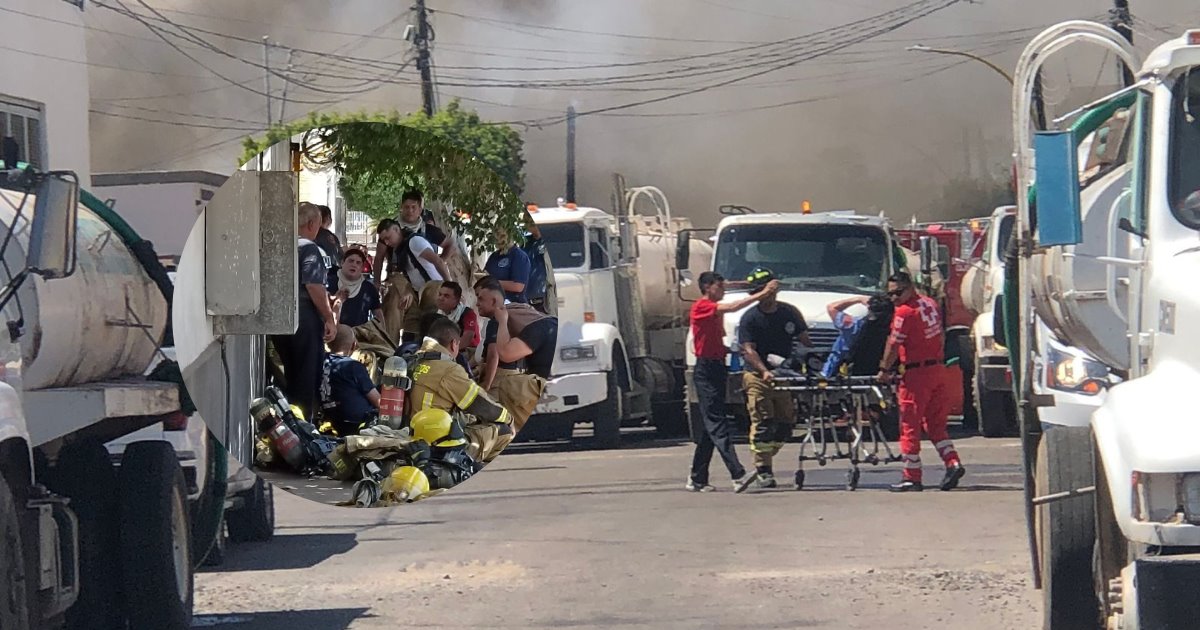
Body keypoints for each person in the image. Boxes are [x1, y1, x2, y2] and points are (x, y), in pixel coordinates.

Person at [687, 271, 778, 493]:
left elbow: (713, 340)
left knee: (711, 427)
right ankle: (737, 473)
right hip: (705, 369)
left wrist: (752, 283)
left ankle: (697, 478)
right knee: (718, 423)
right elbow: (734, 307)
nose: (724, 290)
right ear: (708, 287)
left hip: (718, 365)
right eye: (719, 286)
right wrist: (763, 293)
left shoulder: (714, 310)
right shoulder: (702, 306)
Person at [876, 271, 966, 492]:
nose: (894, 299)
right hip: (937, 369)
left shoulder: (904, 313)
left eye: (898, 293)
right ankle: (953, 462)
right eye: (890, 295)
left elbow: (893, 344)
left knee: (909, 426)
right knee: (936, 425)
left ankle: (912, 477)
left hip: (917, 375)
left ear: (909, 288)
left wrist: (884, 370)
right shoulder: (929, 303)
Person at [737, 268, 811, 489]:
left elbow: (805, 340)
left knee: (787, 422)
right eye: (758, 290)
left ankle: (766, 455)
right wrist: (763, 370)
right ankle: (764, 470)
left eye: (766, 289)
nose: (763, 294)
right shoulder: (750, 317)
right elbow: (748, 349)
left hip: (784, 375)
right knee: (763, 422)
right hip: (757, 376)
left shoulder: (789, 313)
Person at [408, 316, 515, 464]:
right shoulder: (449, 370)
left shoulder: (411, 361)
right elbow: (480, 405)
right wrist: (508, 418)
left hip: (410, 437)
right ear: (454, 344)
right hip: (437, 444)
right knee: (504, 431)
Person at [271, 201, 337, 420]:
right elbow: (314, 285)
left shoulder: (276, 245)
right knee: (306, 379)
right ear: (311, 223)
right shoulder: (307, 247)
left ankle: (290, 426)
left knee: (291, 374)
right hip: (304, 318)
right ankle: (303, 429)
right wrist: (329, 318)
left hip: (279, 318)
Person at [374, 218, 450, 344]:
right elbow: (410, 274)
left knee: (428, 328)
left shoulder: (414, 242)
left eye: (388, 237)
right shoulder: (401, 249)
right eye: (384, 240)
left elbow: (438, 261)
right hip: (418, 291)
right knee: (411, 325)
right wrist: (407, 292)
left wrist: (449, 285)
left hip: (433, 288)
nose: (387, 243)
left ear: (396, 229)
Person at [473, 276, 558, 380]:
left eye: (480, 298)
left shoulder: (497, 319)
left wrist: (486, 386)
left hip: (544, 333)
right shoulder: (520, 307)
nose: (477, 303)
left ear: (493, 301)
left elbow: (497, 355)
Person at [371, 189, 457, 277]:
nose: (410, 211)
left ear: (420, 209)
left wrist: (439, 263)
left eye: (413, 207)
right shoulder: (390, 229)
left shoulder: (428, 229)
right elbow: (379, 257)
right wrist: (376, 282)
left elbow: (451, 245)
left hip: (426, 282)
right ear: (401, 207)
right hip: (398, 281)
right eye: (407, 207)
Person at [319, 325, 381, 436]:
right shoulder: (353, 366)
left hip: (331, 418)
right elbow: (378, 402)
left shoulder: (321, 362)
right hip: (357, 423)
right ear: (354, 345)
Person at [822, 293, 895, 378]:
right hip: (879, 374)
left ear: (869, 309)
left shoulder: (851, 324)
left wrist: (858, 299)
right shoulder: (894, 330)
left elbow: (831, 307)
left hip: (840, 373)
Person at [328, 248, 383, 328]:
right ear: (342, 263)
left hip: (359, 336)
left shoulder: (369, 288)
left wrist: (383, 335)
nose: (354, 265)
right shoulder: (329, 282)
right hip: (331, 331)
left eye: (358, 263)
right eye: (351, 261)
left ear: (362, 267)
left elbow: (378, 313)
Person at [484, 225, 532, 304]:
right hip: (492, 304)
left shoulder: (519, 256)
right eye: (496, 236)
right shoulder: (494, 256)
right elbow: (485, 275)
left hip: (513, 305)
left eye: (502, 236)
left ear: (511, 235)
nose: (499, 239)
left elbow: (518, 286)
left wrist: (493, 282)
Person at [435, 281, 481, 362]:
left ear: (456, 300)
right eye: (440, 294)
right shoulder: (438, 314)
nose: (441, 298)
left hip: (468, 351)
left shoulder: (468, 313)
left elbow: (467, 338)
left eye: (446, 296)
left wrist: (447, 352)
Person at [520, 209, 553, 314]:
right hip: (527, 300)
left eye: (529, 220)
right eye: (526, 221)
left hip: (546, 300)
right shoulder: (524, 242)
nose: (527, 224)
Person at [314, 204, 342, 286]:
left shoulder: (313, 234)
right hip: (331, 274)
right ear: (327, 218)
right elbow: (340, 256)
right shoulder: (330, 236)